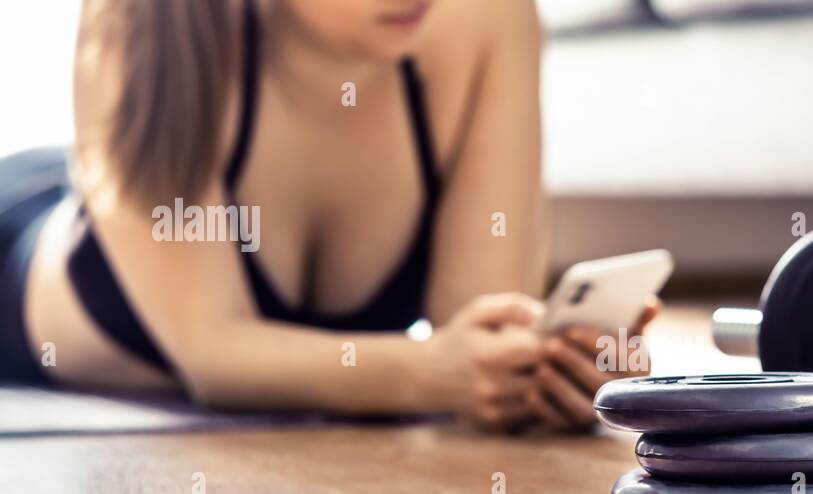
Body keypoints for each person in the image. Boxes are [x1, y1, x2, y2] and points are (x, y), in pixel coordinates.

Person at [0, 0, 656, 430]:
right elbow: (211, 353)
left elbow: (479, 322)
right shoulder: (135, 23)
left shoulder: (490, 19)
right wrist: (430, 373)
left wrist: (549, 367)